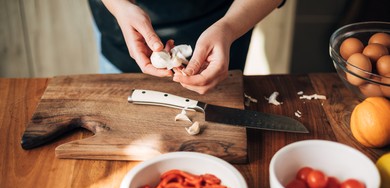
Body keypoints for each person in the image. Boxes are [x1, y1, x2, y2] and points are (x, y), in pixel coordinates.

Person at [88, 0, 286, 94]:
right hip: (123, 27)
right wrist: (118, 6)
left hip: (226, 18)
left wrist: (228, 28)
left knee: (222, 94)